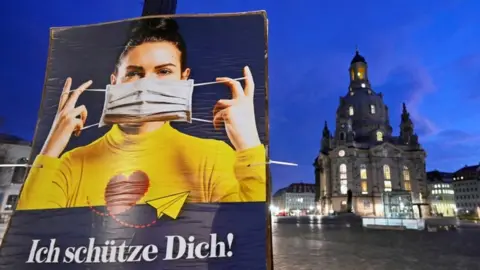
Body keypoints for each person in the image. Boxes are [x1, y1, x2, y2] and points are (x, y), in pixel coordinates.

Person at [17, 17, 266, 211]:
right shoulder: (72, 164)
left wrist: (249, 145)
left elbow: (245, 239)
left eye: (164, 71)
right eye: (134, 73)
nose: (147, 85)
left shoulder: (215, 158)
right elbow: (34, 240)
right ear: (114, 82)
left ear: (184, 78)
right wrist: (49, 151)